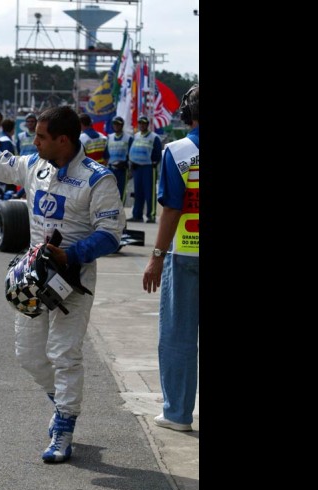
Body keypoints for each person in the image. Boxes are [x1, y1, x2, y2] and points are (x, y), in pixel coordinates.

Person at [0, 86, 125, 463]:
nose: (34, 141)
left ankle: (64, 426)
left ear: (62, 140)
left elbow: (111, 234)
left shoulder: (99, 179)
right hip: (33, 275)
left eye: (40, 136)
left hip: (74, 280)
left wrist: (71, 254)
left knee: (64, 354)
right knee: (30, 356)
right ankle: (60, 404)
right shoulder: (36, 164)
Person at [141, 84, 199, 432]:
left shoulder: (177, 151)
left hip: (185, 254)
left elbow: (172, 210)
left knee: (178, 335)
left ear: (187, 114)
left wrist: (156, 257)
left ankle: (177, 413)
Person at [127, 116, 163, 223]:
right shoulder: (135, 136)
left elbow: (157, 152)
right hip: (137, 167)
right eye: (140, 123)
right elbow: (131, 150)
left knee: (149, 192)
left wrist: (153, 163)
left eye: (144, 123)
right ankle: (137, 215)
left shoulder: (154, 137)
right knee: (138, 193)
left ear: (147, 124)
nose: (142, 125)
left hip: (148, 168)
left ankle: (151, 215)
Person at [106, 116, 133, 202]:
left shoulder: (128, 138)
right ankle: (112, 213)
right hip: (111, 169)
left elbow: (131, 155)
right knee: (110, 192)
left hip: (122, 169)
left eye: (118, 124)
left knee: (121, 191)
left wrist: (130, 169)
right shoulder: (109, 137)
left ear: (122, 125)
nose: (116, 126)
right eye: (115, 124)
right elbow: (106, 154)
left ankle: (120, 213)